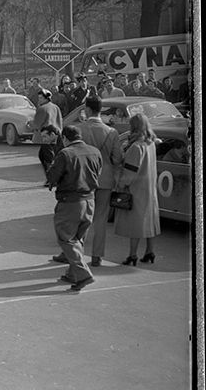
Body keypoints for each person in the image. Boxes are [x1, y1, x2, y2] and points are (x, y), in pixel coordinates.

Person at [45, 125, 102, 292]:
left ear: (65, 138)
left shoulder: (65, 154)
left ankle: (83, 275)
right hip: (90, 200)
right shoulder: (95, 151)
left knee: (66, 239)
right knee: (78, 238)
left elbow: (52, 177)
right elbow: (98, 172)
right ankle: (73, 272)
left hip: (70, 202)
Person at [76, 95, 123, 267]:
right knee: (101, 219)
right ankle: (97, 256)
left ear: (88, 109)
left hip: (84, 179)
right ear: (100, 110)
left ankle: (77, 253)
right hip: (105, 178)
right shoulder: (111, 132)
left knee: (82, 217)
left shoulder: (79, 129)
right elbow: (118, 158)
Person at [114, 113, 161, 266]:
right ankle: (150, 251)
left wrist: (120, 184)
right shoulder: (151, 143)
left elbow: (130, 172)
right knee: (150, 222)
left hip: (136, 190)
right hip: (149, 188)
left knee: (136, 224)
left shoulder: (136, 147)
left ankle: (132, 255)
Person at [28, 89, 63, 175]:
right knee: (47, 155)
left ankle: (52, 177)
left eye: (40, 98)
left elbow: (37, 124)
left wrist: (29, 124)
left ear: (46, 98)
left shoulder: (42, 108)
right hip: (56, 135)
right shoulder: (55, 107)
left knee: (46, 158)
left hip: (46, 136)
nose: (39, 100)